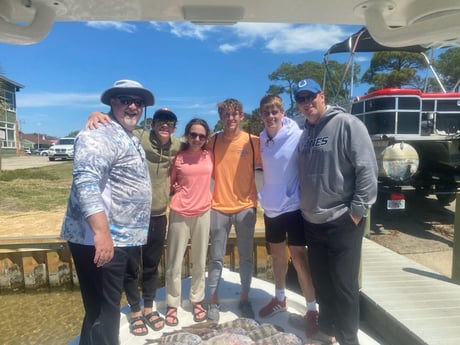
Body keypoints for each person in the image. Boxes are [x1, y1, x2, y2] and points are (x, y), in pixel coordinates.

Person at [61, 79, 154, 345]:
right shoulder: (98, 133)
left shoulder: (125, 133)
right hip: (100, 240)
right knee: (105, 311)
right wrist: (101, 233)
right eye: (125, 99)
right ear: (113, 102)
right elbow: (86, 181)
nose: (133, 106)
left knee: (101, 308)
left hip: (119, 238)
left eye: (138, 102)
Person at [295, 78, 378, 345]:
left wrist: (357, 211)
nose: (307, 104)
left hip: (342, 220)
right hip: (312, 221)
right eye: (301, 99)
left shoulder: (347, 124)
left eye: (310, 97)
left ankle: (348, 338)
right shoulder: (304, 132)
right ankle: (326, 331)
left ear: (322, 95)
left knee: (345, 287)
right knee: (323, 283)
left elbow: (366, 168)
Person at [85, 108, 181, 335]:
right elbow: (116, 124)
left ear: (175, 127)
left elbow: (201, 142)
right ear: (152, 123)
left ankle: (149, 307)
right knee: (130, 267)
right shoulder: (139, 136)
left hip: (158, 216)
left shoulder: (178, 145)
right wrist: (96, 113)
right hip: (131, 218)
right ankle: (135, 311)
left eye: (169, 122)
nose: (164, 125)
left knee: (151, 265)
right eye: (160, 121)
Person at [256, 94, 319, 337]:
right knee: (277, 258)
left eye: (275, 112)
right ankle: (280, 298)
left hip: (293, 207)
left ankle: (312, 310)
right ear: (261, 115)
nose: (271, 116)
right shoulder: (261, 138)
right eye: (266, 112)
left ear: (283, 113)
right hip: (271, 208)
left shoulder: (299, 134)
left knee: (300, 259)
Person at [207, 98, 262, 321]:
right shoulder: (211, 142)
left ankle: (245, 298)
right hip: (218, 206)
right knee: (216, 257)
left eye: (234, 114)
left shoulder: (253, 141)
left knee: (246, 257)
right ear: (221, 117)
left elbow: (278, 157)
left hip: (246, 207)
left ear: (241, 116)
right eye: (226, 114)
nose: (230, 118)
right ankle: (212, 300)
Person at [164, 118, 213, 326]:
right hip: (180, 211)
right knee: (174, 262)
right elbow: (170, 182)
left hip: (203, 212)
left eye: (201, 136)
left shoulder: (209, 154)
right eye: (193, 134)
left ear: (206, 138)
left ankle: (197, 300)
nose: (197, 139)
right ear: (187, 135)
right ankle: (172, 304)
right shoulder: (178, 157)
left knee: (200, 261)